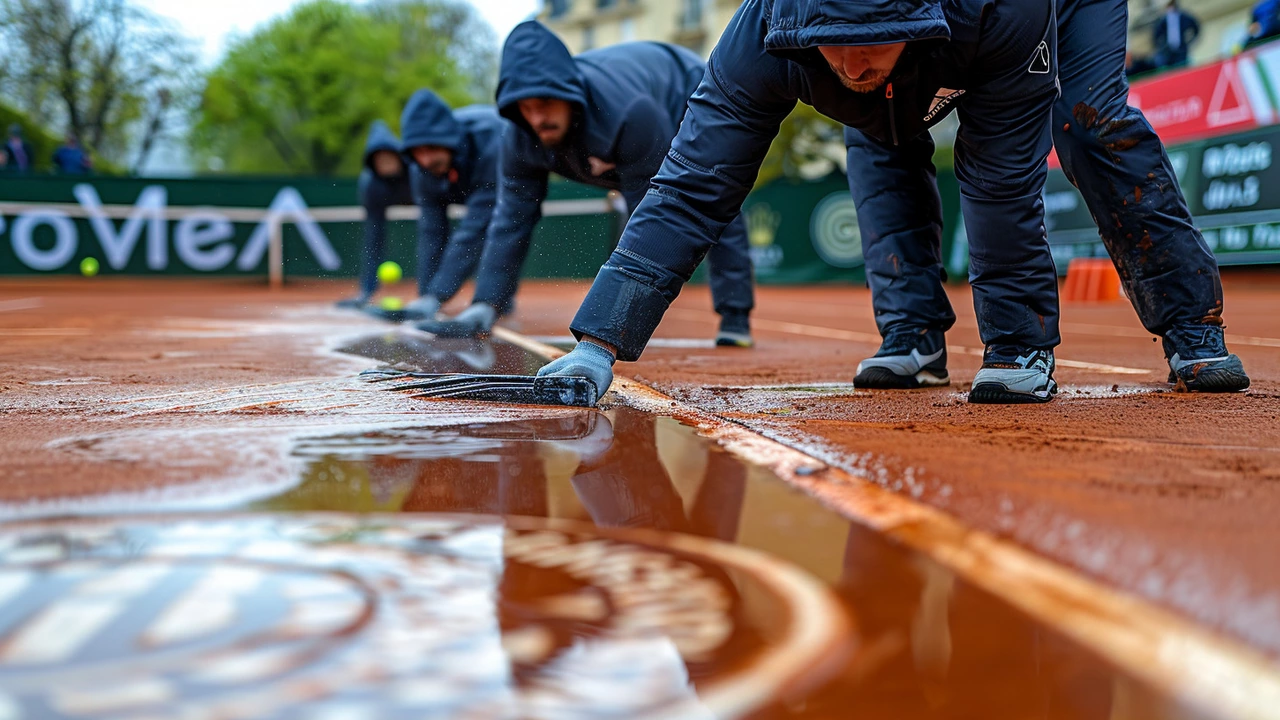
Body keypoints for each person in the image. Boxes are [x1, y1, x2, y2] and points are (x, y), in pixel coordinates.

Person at [540, 0, 1248, 406]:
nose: (849, 64)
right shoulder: (762, 35)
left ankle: (1189, 327)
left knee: (1089, 123)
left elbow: (1000, 177)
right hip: (924, 41)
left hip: (1052, 11)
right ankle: (913, 336)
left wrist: (1015, 345)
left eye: (867, 40)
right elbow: (692, 182)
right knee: (876, 126)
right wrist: (597, 344)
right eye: (831, 46)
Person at [429, 21, 756, 346]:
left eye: (543, 103)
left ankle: (735, 313)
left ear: (566, 91)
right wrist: (486, 302)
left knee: (710, 191)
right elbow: (511, 219)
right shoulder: (519, 138)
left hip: (684, 90)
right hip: (634, 113)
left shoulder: (627, 114)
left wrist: (612, 324)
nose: (537, 118)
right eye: (525, 108)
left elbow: (653, 214)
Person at [394, 90, 506, 320]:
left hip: (505, 165)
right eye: (418, 152)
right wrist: (427, 296)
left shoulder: (491, 144)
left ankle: (498, 297)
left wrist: (438, 295)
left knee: (503, 226)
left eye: (432, 149)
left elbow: (474, 230)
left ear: (449, 142)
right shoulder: (419, 168)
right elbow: (431, 232)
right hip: (465, 179)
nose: (426, 160)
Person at [337, 120, 414, 308]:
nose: (385, 163)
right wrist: (367, 292)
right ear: (372, 163)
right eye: (379, 159)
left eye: (389, 157)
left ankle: (433, 293)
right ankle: (367, 290)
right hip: (380, 204)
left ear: (398, 156)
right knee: (373, 240)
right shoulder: (371, 186)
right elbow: (374, 241)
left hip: (427, 202)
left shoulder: (417, 171)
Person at [1152, 0, 1200, 69]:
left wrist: (1190, 41)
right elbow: (1156, 36)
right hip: (1168, 52)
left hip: (1181, 51)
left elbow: (1196, 28)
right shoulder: (1163, 20)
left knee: (1182, 69)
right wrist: (1161, 46)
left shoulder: (1184, 17)